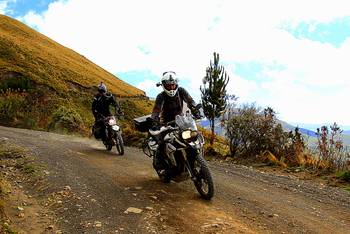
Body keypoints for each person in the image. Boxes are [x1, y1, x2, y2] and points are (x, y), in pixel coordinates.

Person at [150, 71, 201, 171]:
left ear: (176, 84)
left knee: (192, 137)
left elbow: (190, 101)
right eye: (168, 86)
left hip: (181, 121)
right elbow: (156, 110)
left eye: (173, 85)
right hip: (166, 123)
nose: (171, 88)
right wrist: (155, 121)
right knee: (162, 142)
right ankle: (159, 163)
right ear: (164, 86)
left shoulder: (181, 91)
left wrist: (196, 111)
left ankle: (194, 161)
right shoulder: (161, 96)